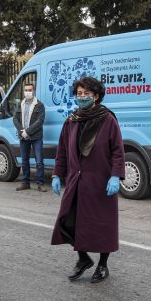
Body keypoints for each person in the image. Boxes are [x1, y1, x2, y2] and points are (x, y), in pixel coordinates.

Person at [50, 76, 125, 284]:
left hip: (100, 182)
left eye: (86, 94)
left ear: (97, 96)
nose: (81, 97)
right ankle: (83, 259)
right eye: (79, 94)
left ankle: (102, 265)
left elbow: (118, 151)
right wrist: (57, 174)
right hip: (77, 181)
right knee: (70, 221)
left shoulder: (107, 119)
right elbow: (62, 151)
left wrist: (115, 176)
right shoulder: (72, 120)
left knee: (102, 225)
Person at [13, 83, 47, 192]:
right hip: (23, 137)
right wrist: (21, 131)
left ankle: (40, 184)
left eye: (30, 90)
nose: (28, 92)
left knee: (39, 161)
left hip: (36, 137)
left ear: (34, 91)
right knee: (24, 161)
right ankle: (25, 183)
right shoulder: (20, 104)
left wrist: (27, 131)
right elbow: (15, 119)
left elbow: (40, 122)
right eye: (26, 90)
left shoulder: (39, 105)